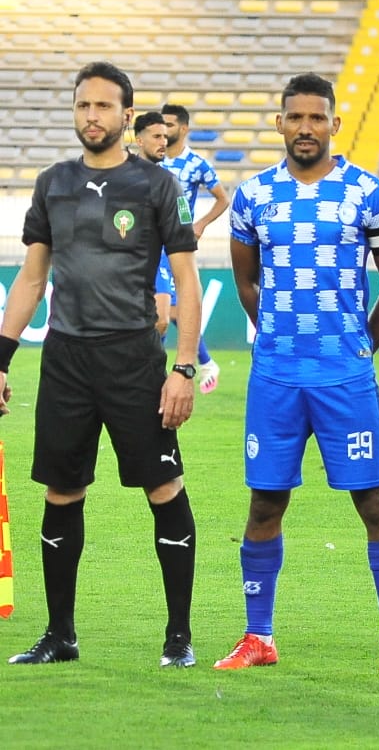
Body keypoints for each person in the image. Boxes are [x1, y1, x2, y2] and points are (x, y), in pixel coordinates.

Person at [213, 73, 379, 675]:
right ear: (279, 123)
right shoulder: (253, 197)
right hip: (276, 376)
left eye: (316, 118)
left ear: (334, 124)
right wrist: (276, 334)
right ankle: (258, 637)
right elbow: (247, 281)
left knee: (374, 502)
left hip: (343, 377)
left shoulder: (368, 193)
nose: (306, 128)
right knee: (264, 504)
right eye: (295, 118)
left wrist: (360, 347)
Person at [1, 61, 201, 668]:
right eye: (84, 105)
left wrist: (184, 367)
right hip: (65, 358)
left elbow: (189, 283)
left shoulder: (156, 186)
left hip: (134, 359)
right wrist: (2, 355)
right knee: (62, 492)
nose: (93, 115)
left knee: (164, 488)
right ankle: (60, 635)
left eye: (104, 106)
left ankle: (178, 637)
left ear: (126, 113)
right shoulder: (52, 183)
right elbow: (32, 278)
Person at [160, 103, 228, 393]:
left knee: (165, 311)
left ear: (184, 128)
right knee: (164, 311)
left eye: (170, 125)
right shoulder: (154, 158)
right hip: (150, 242)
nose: (164, 130)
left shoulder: (197, 164)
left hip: (175, 245)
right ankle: (205, 362)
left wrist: (199, 225)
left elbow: (222, 199)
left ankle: (157, 371)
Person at [131, 111, 175, 337]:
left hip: (160, 259)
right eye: (157, 137)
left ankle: (152, 369)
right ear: (139, 140)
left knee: (162, 320)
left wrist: (189, 227)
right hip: (128, 260)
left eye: (165, 137)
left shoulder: (168, 178)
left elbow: (183, 211)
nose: (163, 143)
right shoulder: (123, 174)